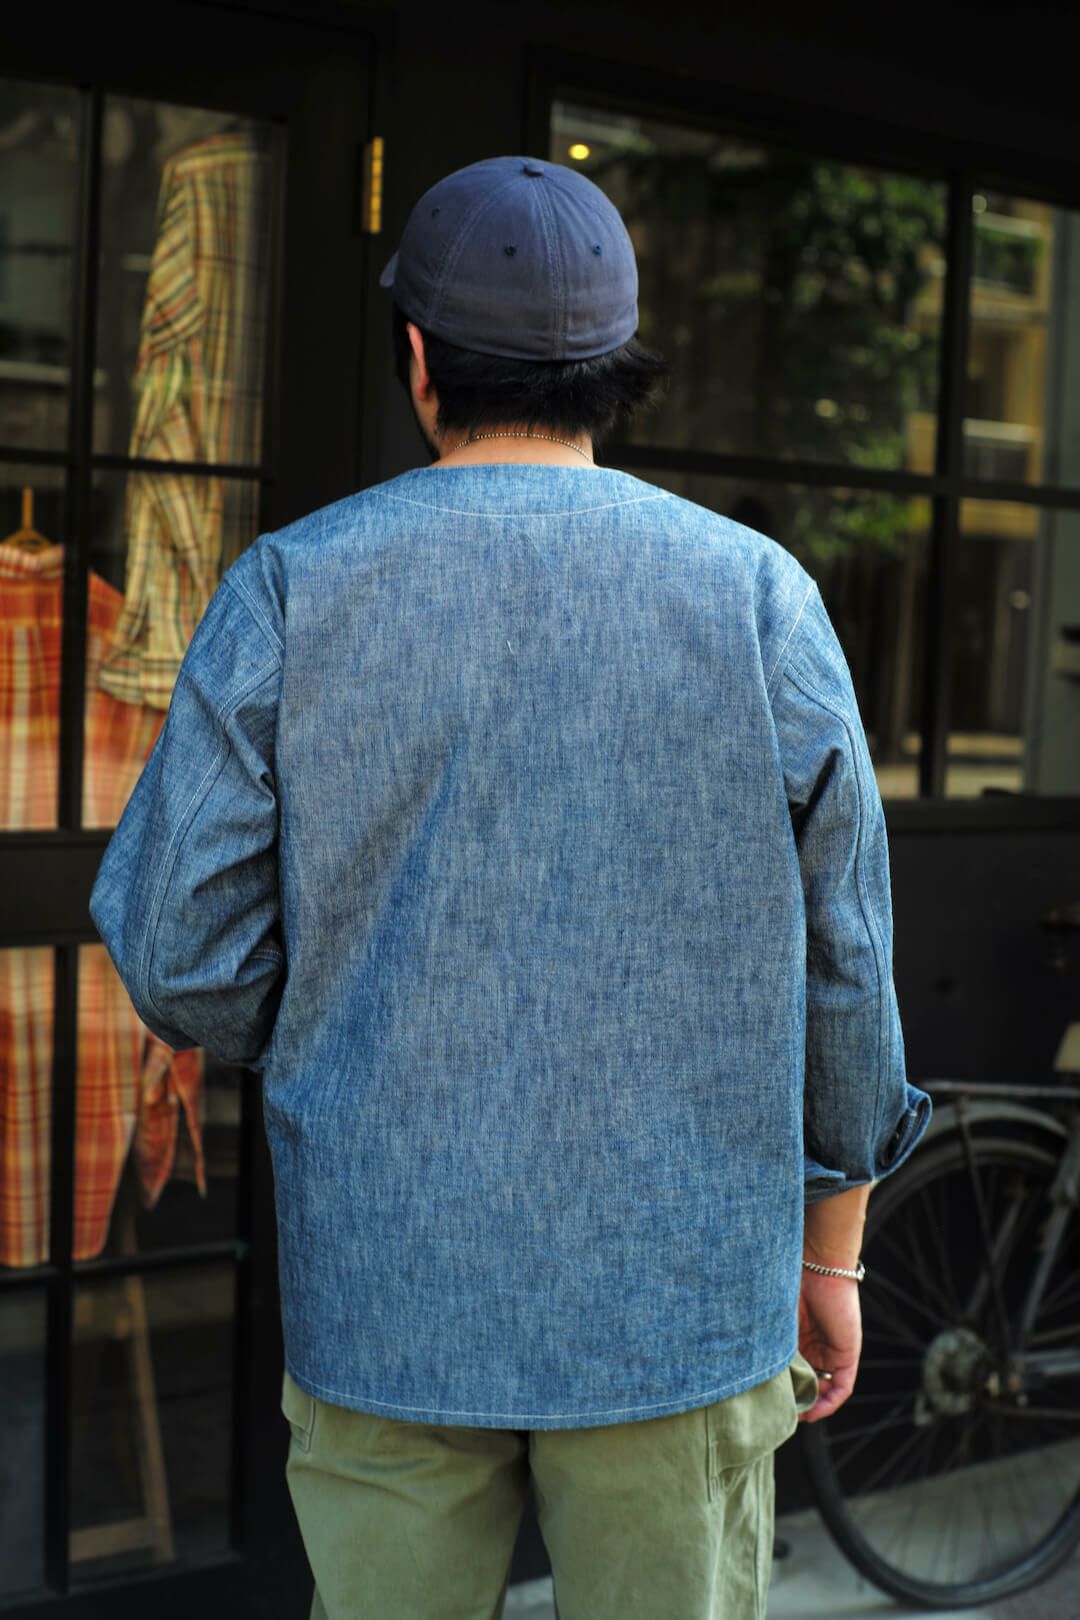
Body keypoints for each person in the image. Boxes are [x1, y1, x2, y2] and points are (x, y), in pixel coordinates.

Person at [89, 154, 932, 1620]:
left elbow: (178, 949)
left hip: (389, 1292)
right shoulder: (757, 597)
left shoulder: (291, 587)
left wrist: (348, 1016)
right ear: (614, 367)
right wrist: (834, 1256)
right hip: (677, 1299)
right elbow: (845, 961)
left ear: (419, 358)